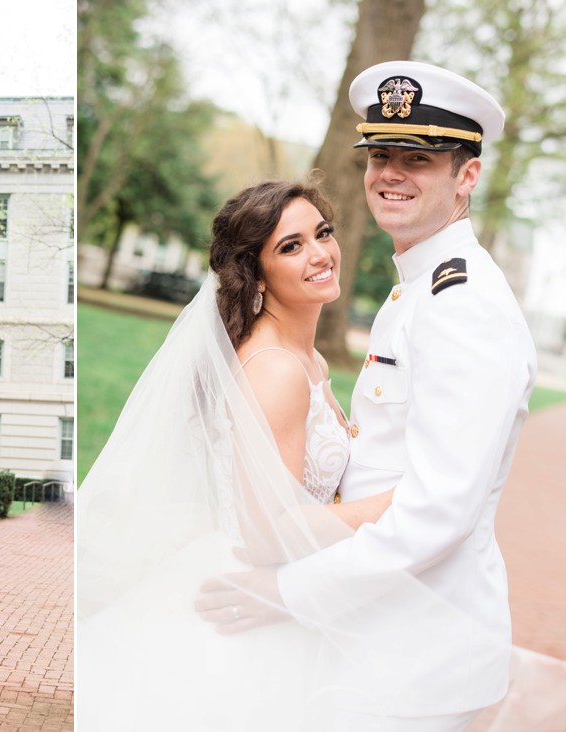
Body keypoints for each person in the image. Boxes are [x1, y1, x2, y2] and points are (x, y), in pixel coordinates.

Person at [197, 62, 563, 731]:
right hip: (378, 640)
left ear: (467, 176)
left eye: (417, 159)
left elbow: (436, 512)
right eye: (381, 156)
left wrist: (285, 591)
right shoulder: (417, 292)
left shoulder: (462, 305)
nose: (390, 174)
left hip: (415, 661)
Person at [77, 180, 400, 730]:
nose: (320, 254)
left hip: (273, 581)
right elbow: (269, 531)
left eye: (322, 233)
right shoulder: (276, 368)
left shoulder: (307, 359)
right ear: (256, 272)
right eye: (291, 246)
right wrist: (396, 503)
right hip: (251, 596)